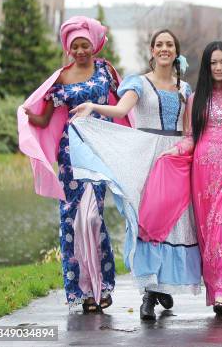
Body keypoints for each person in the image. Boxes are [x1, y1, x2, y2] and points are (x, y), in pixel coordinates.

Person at [69, 29, 202, 320]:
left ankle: (162, 286)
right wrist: (92, 107)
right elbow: (120, 110)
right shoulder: (138, 83)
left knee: (175, 222)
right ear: (152, 51)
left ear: (175, 50)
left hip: (176, 157)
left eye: (169, 44)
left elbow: (190, 128)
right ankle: (148, 293)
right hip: (145, 154)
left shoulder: (185, 89)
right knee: (148, 220)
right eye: (159, 45)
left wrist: (186, 149)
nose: (164, 49)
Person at [19, 16, 130, 313]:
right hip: (70, 153)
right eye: (75, 46)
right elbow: (43, 117)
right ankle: (82, 292)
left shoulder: (106, 70)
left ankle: (101, 285)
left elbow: (123, 104)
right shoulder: (62, 78)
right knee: (72, 220)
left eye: (85, 45)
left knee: (93, 217)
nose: (81, 51)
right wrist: (26, 112)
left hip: (100, 149)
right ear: (69, 49)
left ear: (94, 44)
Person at [165, 41, 222, 316]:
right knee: (207, 233)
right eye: (213, 63)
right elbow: (190, 137)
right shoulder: (195, 99)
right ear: (206, 66)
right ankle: (215, 293)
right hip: (202, 172)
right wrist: (173, 151)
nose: (218, 67)